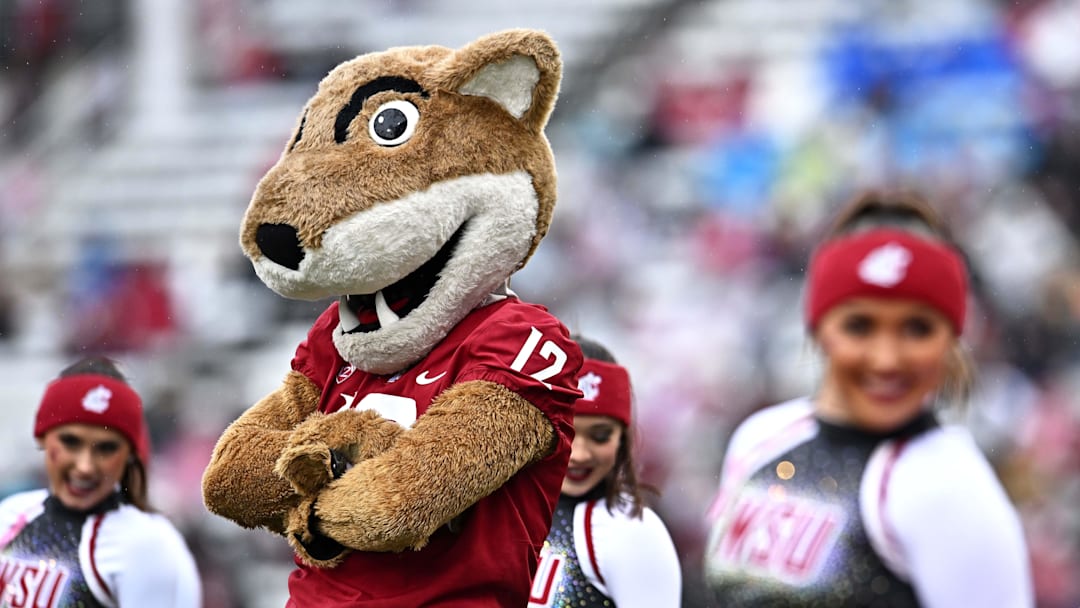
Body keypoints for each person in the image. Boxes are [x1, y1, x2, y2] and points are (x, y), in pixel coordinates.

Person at [702, 191, 1034, 606]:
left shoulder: (951, 488)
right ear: (819, 328)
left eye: (917, 329)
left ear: (951, 339)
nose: (886, 359)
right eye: (859, 326)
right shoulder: (760, 439)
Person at [0, 356, 202, 607]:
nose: (85, 467)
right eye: (70, 442)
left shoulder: (148, 544)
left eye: (106, 448)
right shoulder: (11, 515)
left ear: (130, 455)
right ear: (43, 438)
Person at [529, 336, 682, 608]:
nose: (579, 454)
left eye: (600, 436)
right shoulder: (498, 508)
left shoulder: (633, 531)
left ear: (621, 440)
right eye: (565, 431)